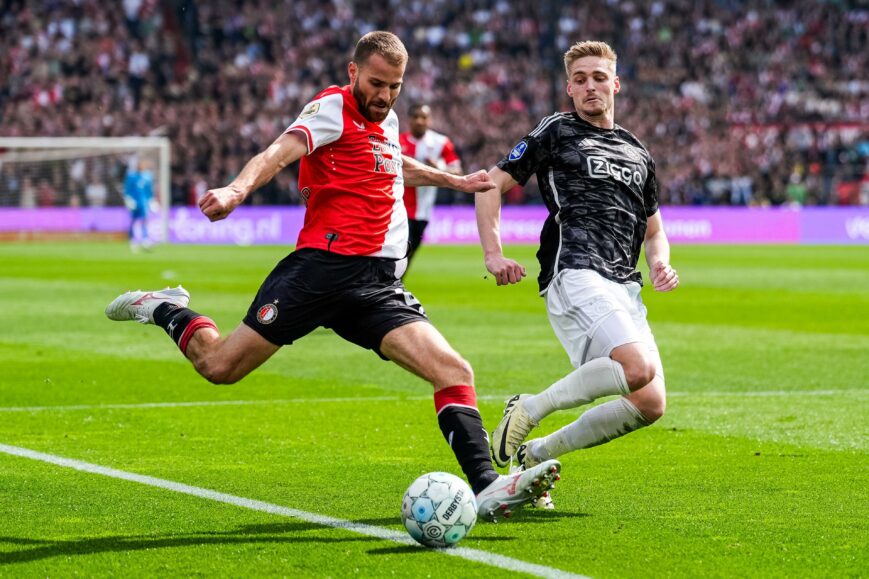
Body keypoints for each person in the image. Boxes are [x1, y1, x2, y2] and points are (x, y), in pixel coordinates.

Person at [105, 31, 560, 522]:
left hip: (377, 285)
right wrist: (237, 190)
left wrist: (453, 180)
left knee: (455, 372)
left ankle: (488, 487)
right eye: (376, 83)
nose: (384, 96)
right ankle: (164, 306)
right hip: (319, 272)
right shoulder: (331, 107)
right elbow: (280, 152)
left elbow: (392, 163)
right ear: (352, 72)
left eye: (395, 87)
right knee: (219, 367)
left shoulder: (387, 120)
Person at [476, 41, 678, 503]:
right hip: (575, 270)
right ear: (569, 88)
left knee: (650, 403)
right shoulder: (557, 130)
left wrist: (661, 262)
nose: (591, 86)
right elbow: (490, 183)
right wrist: (493, 254)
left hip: (625, 283)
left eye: (599, 77)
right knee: (638, 366)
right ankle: (529, 408)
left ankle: (535, 453)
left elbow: (654, 230)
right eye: (581, 79)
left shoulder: (638, 151)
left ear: (616, 83)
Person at [398, 104, 462, 264]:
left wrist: (439, 168)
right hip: (397, 209)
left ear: (430, 120)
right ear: (409, 120)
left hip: (422, 212)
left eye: (424, 117)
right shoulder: (397, 141)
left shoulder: (441, 143)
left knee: (408, 257)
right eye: (416, 117)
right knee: (397, 255)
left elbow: (458, 172)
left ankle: (392, 285)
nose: (419, 121)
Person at [123, 158, 155, 250]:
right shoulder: (131, 176)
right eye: (139, 165)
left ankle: (145, 240)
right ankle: (132, 240)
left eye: (142, 165)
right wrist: (128, 200)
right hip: (134, 203)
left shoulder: (148, 176)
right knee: (133, 221)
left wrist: (151, 200)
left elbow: (149, 190)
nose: (141, 166)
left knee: (144, 220)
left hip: (143, 203)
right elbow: (127, 190)